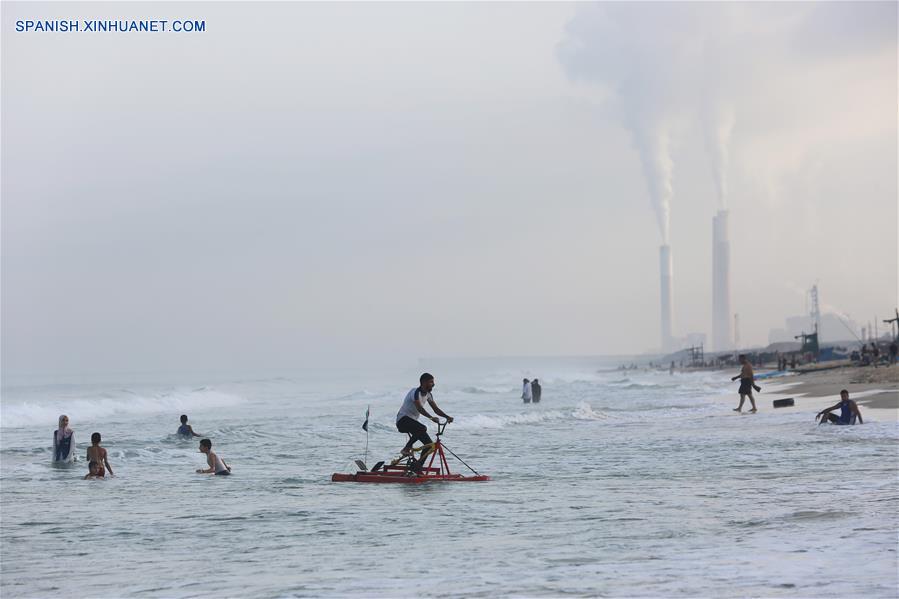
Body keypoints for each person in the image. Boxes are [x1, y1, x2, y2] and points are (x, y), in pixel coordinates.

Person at [396, 373, 453, 471]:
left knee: (429, 445)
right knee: (422, 428)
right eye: (431, 382)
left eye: (433, 382)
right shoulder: (415, 392)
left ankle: (416, 468)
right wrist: (431, 418)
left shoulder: (428, 395)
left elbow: (436, 409)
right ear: (423, 382)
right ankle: (406, 448)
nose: (433, 384)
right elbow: (419, 408)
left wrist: (447, 417)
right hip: (402, 420)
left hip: (413, 423)